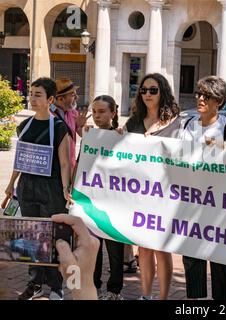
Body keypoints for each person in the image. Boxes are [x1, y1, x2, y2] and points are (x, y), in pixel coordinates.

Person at [4, 77, 72, 300]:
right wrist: (10, 184)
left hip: (51, 189)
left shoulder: (60, 127)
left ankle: (56, 287)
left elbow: (64, 162)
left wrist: (65, 189)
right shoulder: (24, 126)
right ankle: (35, 284)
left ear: (50, 99)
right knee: (32, 238)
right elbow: (19, 158)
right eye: (31, 93)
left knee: (51, 238)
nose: (32, 98)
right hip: (27, 188)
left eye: (38, 94)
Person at [179, 75, 226, 300]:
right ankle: (195, 301)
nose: (200, 99)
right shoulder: (187, 124)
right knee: (191, 257)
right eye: (198, 93)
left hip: (219, 204)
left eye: (206, 96)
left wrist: (220, 146)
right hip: (191, 201)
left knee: (220, 260)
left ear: (219, 101)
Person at [125, 73, 181, 300]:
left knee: (161, 247)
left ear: (163, 93)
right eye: (144, 90)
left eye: (153, 90)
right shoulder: (133, 122)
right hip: (139, 194)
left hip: (164, 194)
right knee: (143, 248)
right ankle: (146, 295)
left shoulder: (176, 123)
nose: (147, 94)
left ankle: (163, 297)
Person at [83, 95, 125, 300]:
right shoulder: (89, 135)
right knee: (94, 247)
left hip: (114, 203)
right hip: (91, 201)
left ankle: (114, 290)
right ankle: (95, 285)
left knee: (115, 249)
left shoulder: (121, 136)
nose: (97, 116)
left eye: (102, 112)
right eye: (95, 112)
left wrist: (121, 137)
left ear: (113, 113)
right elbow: (81, 164)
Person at [51, 77, 91, 170]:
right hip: (53, 168)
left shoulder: (74, 113)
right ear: (61, 98)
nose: (77, 97)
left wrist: (82, 126)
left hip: (69, 166)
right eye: (72, 94)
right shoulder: (47, 114)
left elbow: (82, 134)